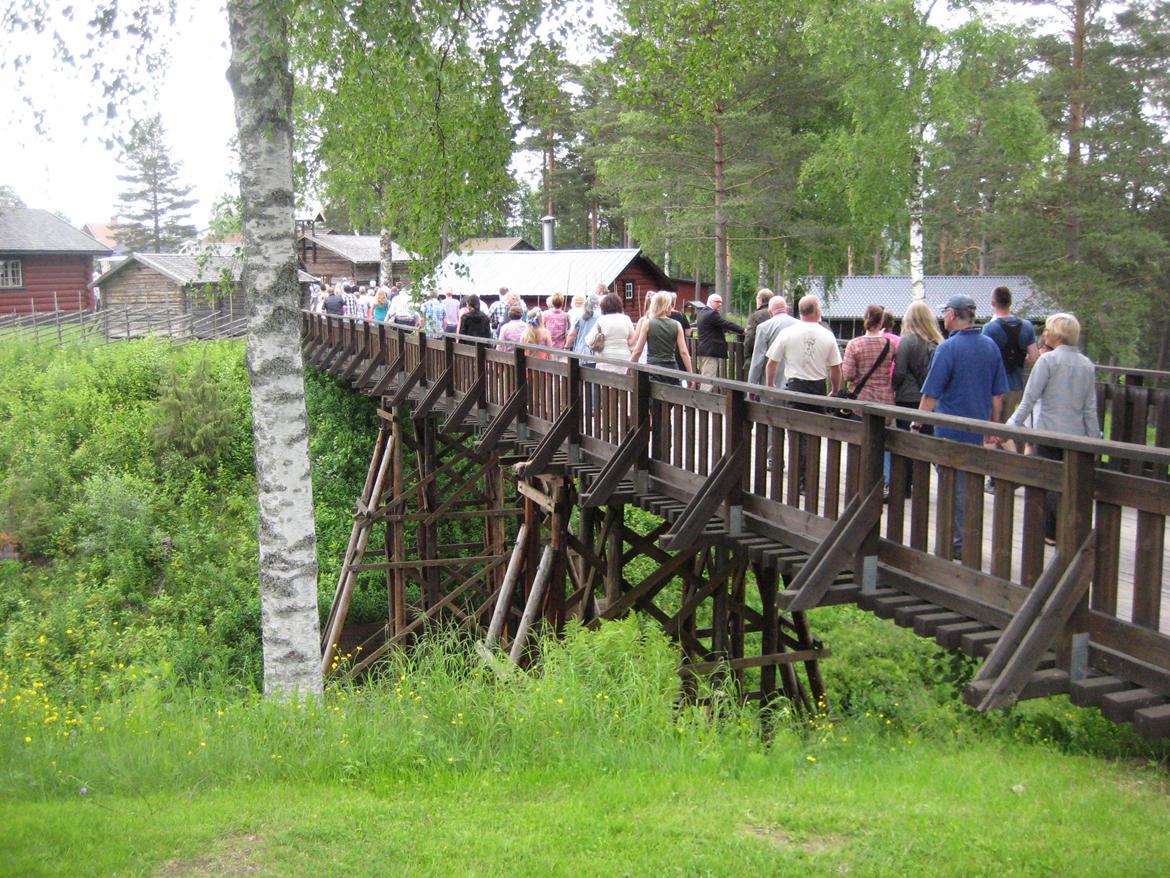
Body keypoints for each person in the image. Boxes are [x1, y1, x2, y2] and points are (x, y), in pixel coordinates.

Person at [994, 313, 1099, 545]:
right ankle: (1054, 532)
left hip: (1048, 433)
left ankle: (1061, 530)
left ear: (1057, 334)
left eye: (1048, 330)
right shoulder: (1086, 365)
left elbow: (1029, 399)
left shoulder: (1047, 361)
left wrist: (1009, 427)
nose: (1044, 334)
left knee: (1049, 484)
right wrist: (1095, 440)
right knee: (1070, 483)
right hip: (1077, 437)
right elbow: (1090, 408)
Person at [916, 294, 1008, 560]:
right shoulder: (990, 346)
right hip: (977, 429)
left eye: (945, 313)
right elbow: (997, 395)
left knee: (953, 488)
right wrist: (993, 426)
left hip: (949, 431)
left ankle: (955, 543)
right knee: (970, 486)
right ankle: (966, 539)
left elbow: (931, 394)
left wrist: (917, 423)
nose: (943, 317)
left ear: (954, 315)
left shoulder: (948, 349)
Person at [890, 300, 944, 495]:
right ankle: (922, 486)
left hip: (907, 398)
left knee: (906, 443)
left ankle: (905, 485)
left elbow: (900, 371)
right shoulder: (938, 342)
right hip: (929, 400)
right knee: (926, 443)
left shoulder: (907, 340)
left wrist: (893, 388)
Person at [982, 285, 1039, 432]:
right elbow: (1034, 357)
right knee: (1013, 427)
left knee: (993, 428)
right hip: (1016, 385)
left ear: (993, 304)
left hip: (994, 387)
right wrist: (1020, 363)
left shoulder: (989, 328)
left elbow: (985, 360)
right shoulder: (1027, 326)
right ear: (1010, 302)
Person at [764, 295, 842, 400]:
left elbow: (771, 364)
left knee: (794, 416)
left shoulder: (787, 333)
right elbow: (835, 368)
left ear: (800, 312)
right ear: (817, 311)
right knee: (817, 416)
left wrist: (770, 386)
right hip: (818, 389)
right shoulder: (828, 335)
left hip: (794, 387)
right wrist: (834, 391)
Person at [629, 291, 694, 384]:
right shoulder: (677, 325)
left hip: (653, 369)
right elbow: (684, 352)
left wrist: (629, 368)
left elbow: (637, 351)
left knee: (653, 396)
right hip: (672, 369)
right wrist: (690, 375)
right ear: (666, 306)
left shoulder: (647, 323)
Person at [841, 305, 896, 405]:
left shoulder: (854, 344)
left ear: (865, 319)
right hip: (884, 400)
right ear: (881, 322)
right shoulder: (890, 344)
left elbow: (848, 375)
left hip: (860, 398)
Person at [696, 293, 744, 388]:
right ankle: (704, 400)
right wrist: (742, 330)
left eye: (721, 302)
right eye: (717, 301)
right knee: (708, 379)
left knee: (705, 376)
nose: (720, 304)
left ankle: (703, 399)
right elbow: (726, 323)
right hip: (710, 351)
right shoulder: (712, 313)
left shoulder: (702, 312)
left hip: (704, 349)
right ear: (710, 302)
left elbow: (714, 326)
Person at [585, 293, 636, 373]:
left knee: (606, 383)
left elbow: (589, 340)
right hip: (624, 359)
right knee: (623, 384)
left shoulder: (601, 320)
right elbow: (633, 339)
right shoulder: (626, 319)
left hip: (605, 359)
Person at [566, 293, 602, 361]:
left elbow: (572, 334)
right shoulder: (601, 315)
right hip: (597, 351)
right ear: (598, 303)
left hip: (582, 350)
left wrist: (566, 346)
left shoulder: (580, 316)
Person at [743, 288, 774, 364]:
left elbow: (750, 337)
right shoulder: (776, 314)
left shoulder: (756, 316)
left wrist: (747, 356)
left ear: (760, 300)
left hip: (758, 357)